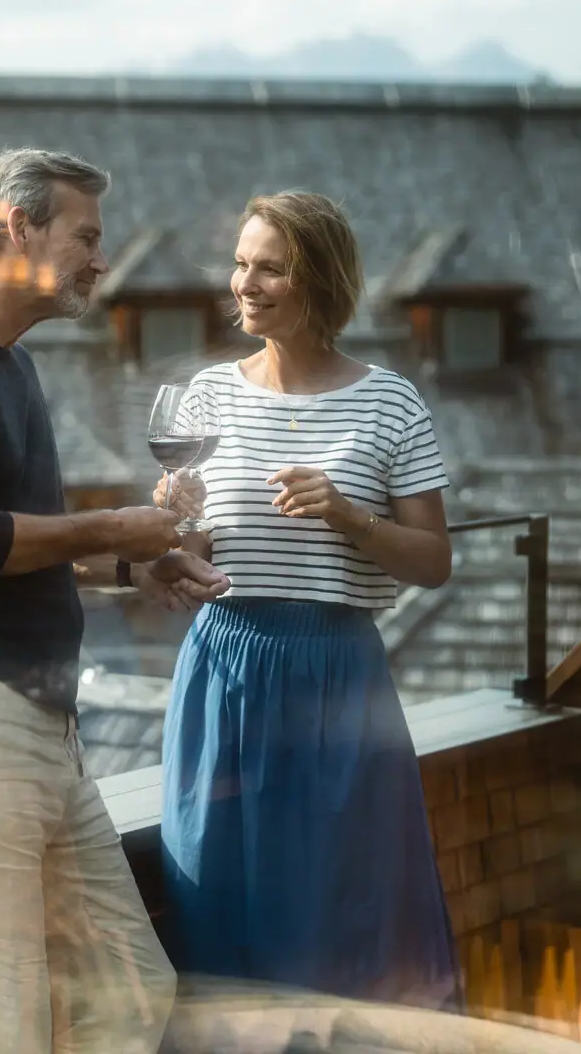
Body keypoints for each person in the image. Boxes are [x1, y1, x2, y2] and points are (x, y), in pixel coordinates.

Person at [0, 147, 231, 1053]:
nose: (101, 260)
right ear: (16, 224)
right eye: (87, 236)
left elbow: (12, 547)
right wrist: (114, 529)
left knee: (129, 989)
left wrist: (132, 570)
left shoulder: (10, 367)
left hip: (38, 718)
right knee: (1, 1014)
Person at [154, 190, 460, 1009]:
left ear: (318, 281)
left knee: (344, 908)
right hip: (223, 669)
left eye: (270, 269)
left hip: (337, 677)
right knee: (215, 897)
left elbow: (434, 561)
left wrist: (350, 515)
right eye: (241, 264)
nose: (244, 285)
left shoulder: (391, 402)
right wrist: (177, 536)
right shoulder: (208, 397)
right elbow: (194, 549)